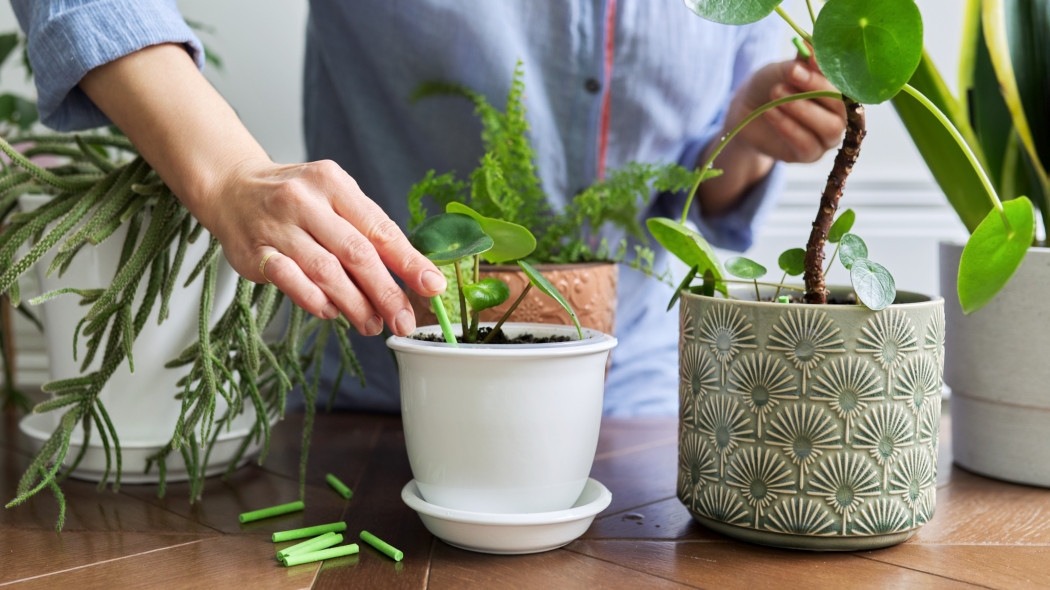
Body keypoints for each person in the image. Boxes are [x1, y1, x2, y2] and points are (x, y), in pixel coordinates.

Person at [10, 1, 846, 416]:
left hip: (648, 405)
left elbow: (697, 188)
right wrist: (226, 174)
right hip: (380, 395)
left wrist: (751, 130)